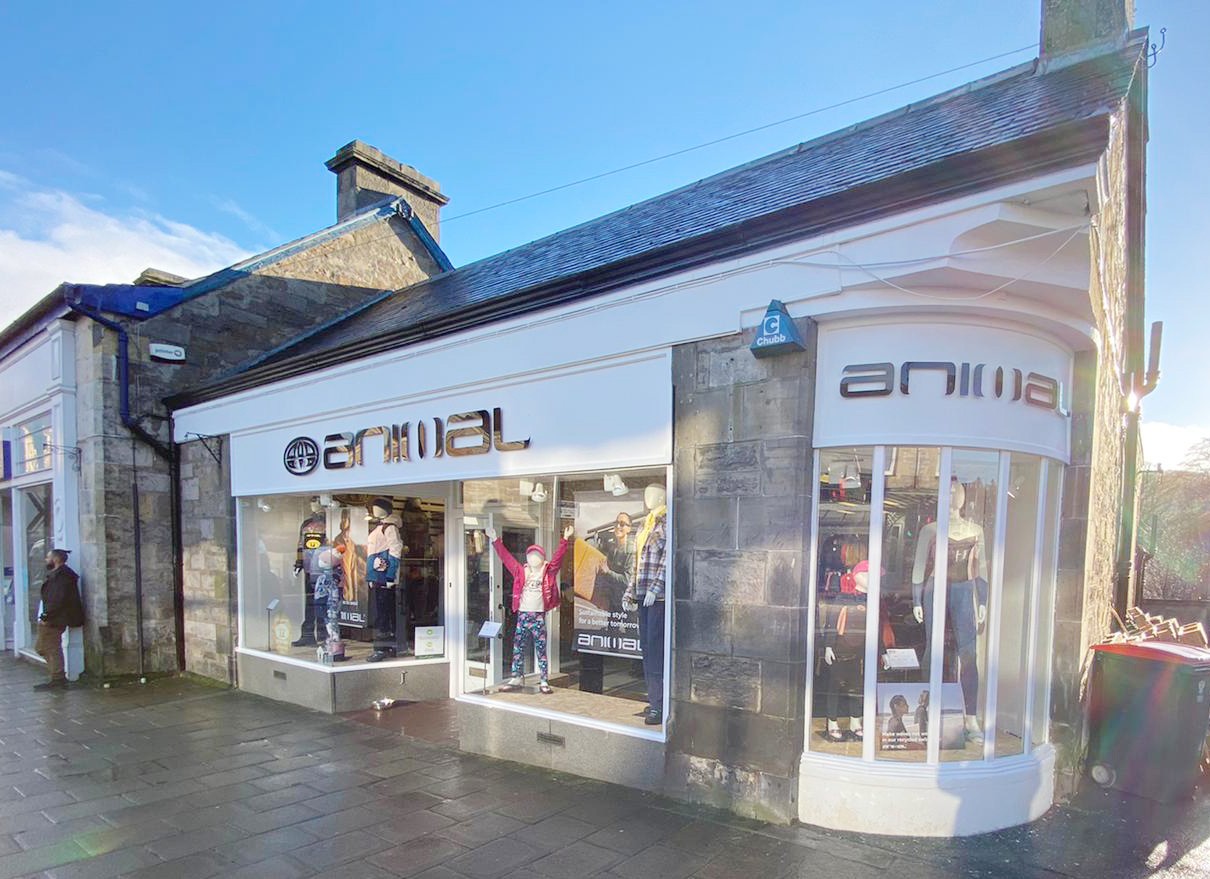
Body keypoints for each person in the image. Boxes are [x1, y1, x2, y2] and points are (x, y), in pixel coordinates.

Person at [34, 548, 85, 691]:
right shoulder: (58, 575)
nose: (46, 559)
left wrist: (46, 616)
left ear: (55, 559)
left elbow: (57, 600)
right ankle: (57, 676)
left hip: (53, 619)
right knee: (42, 648)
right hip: (51, 617)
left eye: (48, 557)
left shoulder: (61, 577)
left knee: (51, 648)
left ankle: (58, 678)